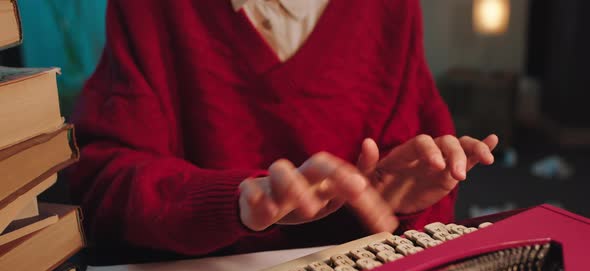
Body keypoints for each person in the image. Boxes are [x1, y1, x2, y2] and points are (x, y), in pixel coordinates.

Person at [70, 0, 497, 257]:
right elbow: (101, 184)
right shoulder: (153, 10)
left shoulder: (391, 10)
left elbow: (429, 212)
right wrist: (233, 202)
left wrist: (403, 209)